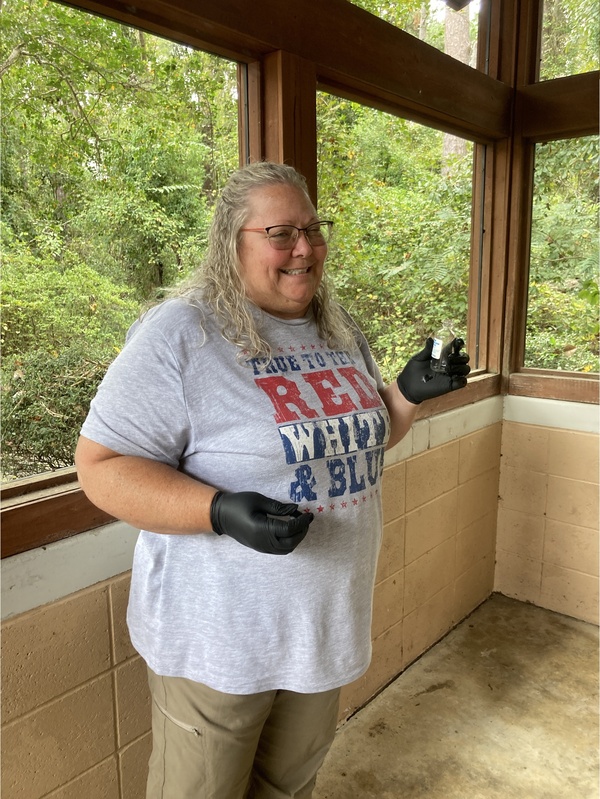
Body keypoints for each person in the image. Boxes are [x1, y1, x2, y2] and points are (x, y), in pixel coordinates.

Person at [75, 161, 470, 799]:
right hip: (219, 640)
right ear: (232, 242)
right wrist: (220, 510)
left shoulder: (336, 327)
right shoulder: (182, 334)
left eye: (314, 230)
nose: (305, 249)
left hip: (323, 628)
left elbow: (351, 447)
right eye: (281, 233)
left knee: (287, 789)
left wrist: (402, 396)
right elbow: (101, 468)